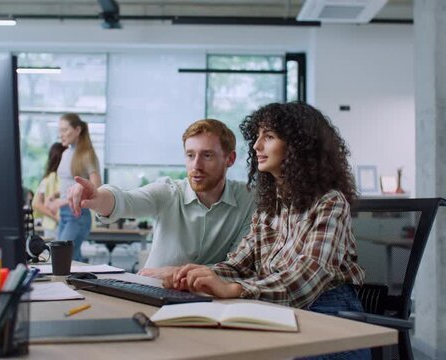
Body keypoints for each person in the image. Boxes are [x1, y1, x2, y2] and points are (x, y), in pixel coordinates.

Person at [168, 103, 368, 360]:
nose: (256, 146)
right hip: (280, 310)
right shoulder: (270, 205)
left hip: (330, 317)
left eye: (269, 137)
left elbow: (306, 277)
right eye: (257, 136)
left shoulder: (330, 201)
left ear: (298, 146)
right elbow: (240, 265)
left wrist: (236, 290)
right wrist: (197, 275)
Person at [67, 119, 256, 279]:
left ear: (229, 159)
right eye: (190, 155)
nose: (196, 165)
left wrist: (176, 273)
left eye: (207, 155)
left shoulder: (248, 199)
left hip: (212, 299)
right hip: (153, 290)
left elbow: (238, 264)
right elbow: (127, 200)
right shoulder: (169, 192)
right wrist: (98, 197)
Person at [48, 113, 101, 262]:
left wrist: (63, 201)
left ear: (77, 130)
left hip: (77, 216)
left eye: (65, 130)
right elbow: (70, 184)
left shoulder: (86, 154)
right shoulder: (65, 153)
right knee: (69, 258)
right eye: (60, 130)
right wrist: (57, 195)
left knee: (63, 259)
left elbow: (95, 187)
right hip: (64, 214)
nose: (61, 135)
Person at [32, 142, 66, 240]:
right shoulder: (48, 180)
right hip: (53, 226)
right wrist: (56, 217)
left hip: (56, 224)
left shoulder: (63, 178)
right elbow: (37, 204)